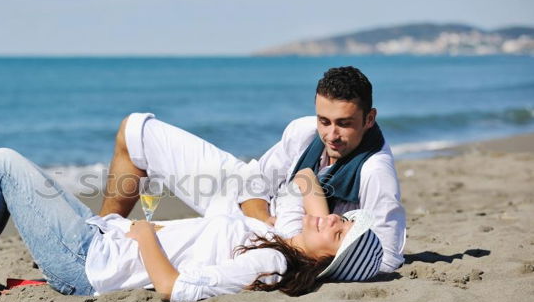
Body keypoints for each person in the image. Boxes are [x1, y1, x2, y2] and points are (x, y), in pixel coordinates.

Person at [0, 147, 383, 302]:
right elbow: (303, 180)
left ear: (327, 260)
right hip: (102, 241)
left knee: (2, 164)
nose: (338, 218)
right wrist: (330, 219)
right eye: (342, 219)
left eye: (339, 232)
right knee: (52, 185)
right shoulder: (286, 234)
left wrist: (146, 234)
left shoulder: (272, 258)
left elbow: (177, 289)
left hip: (90, 263)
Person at [98, 66, 405, 274]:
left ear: (369, 119)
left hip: (269, 244)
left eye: (344, 123)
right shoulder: (303, 132)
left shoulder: (375, 171)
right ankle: (99, 231)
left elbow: (388, 259)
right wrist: (262, 216)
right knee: (135, 129)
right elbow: (253, 180)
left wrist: (307, 257)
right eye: (324, 120)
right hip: (246, 208)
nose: (331, 135)